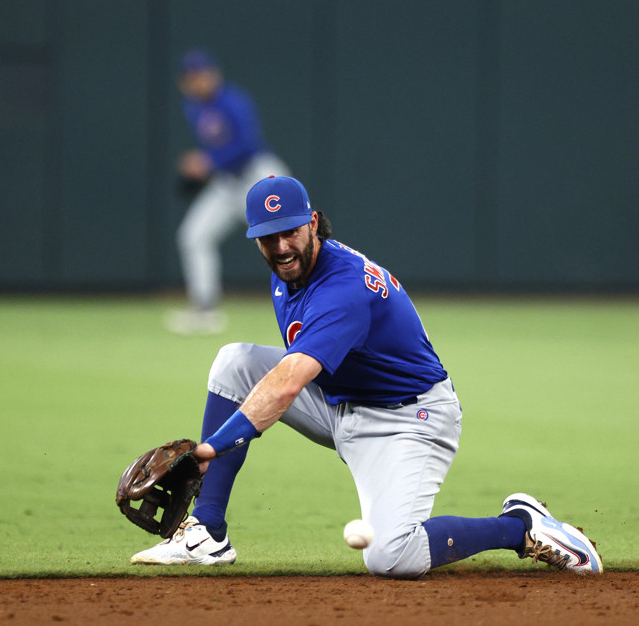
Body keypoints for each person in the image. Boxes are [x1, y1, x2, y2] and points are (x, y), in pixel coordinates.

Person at [133, 176, 603, 577]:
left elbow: (287, 384)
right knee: (233, 362)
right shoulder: (288, 266)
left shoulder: (342, 288)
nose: (280, 246)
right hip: (341, 402)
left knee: (392, 556)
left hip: (407, 420)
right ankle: (209, 533)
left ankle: (521, 527)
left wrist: (208, 450)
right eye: (268, 237)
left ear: (313, 222)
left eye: (290, 232)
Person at [166, 48, 291, 335]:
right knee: (194, 236)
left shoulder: (233, 101)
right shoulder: (193, 106)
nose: (198, 81)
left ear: (214, 74)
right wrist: (205, 162)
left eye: (202, 75)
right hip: (227, 183)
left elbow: (247, 145)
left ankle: (321, 300)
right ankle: (205, 310)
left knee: (292, 239)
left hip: (259, 177)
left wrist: (208, 161)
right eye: (191, 77)